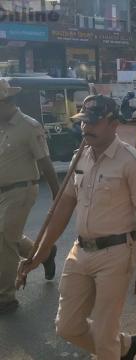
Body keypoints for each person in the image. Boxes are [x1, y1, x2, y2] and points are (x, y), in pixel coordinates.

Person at [19, 95, 136, 359]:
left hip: (116, 254)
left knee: (105, 337)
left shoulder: (133, 162)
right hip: (80, 251)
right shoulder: (79, 158)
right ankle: (125, 346)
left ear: (114, 124)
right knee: (67, 327)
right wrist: (38, 255)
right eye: (83, 122)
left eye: (94, 122)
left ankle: (113, 348)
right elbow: (62, 210)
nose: (86, 128)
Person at [0, 79, 60, 315]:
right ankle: (45, 253)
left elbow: (45, 162)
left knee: (4, 238)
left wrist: (58, 193)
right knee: (10, 237)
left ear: (5, 102)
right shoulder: (1, 125)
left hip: (22, 190)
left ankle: (6, 297)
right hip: (3, 192)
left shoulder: (29, 126)